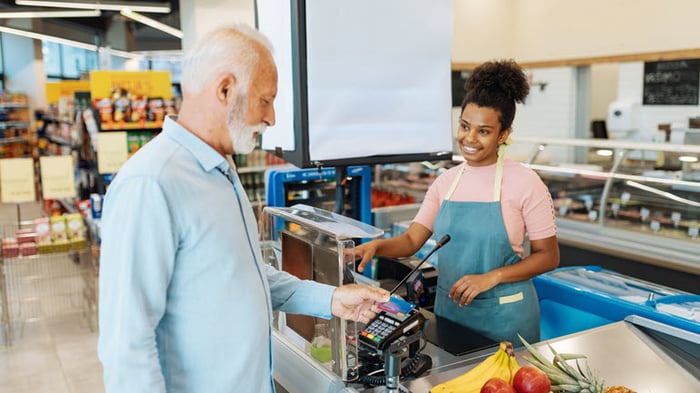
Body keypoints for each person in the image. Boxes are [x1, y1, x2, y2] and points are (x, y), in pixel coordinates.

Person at [97, 25, 390, 393]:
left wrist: (331, 299)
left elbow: (248, 276)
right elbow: (128, 346)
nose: (272, 118)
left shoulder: (221, 171)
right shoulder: (151, 184)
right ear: (225, 90)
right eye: (265, 100)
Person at [354, 60, 559, 344]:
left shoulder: (526, 183)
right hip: (451, 313)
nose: (469, 138)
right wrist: (377, 246)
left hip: (505, 319)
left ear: (503, 135)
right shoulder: (447, 181)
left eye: (484, 131)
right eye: (464, 126)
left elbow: (548, 256)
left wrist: (492, 277)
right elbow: (413, 240)